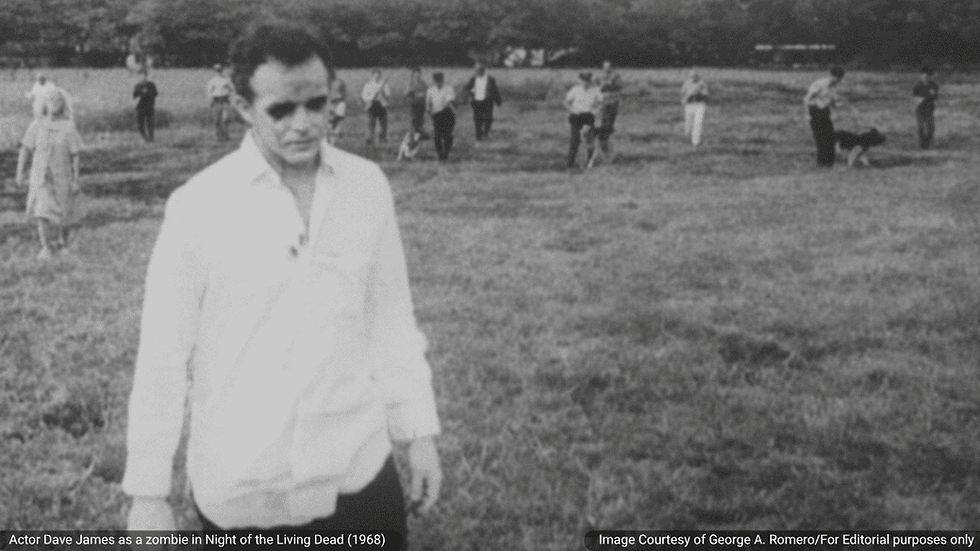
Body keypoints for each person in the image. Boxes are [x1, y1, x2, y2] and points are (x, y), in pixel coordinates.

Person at [123, 21, 443, 541]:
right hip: (246, 493)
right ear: (244, 107)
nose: (304, 124)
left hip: (358, 474)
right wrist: (147, 493)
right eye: (280, 110)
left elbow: (391, 319)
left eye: (317, 104)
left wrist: (419, 434)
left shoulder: (367, 187)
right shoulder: (198, 208)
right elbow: (162, 355)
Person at [15, 87, 82, 260]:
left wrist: (76, 178)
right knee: (41, 211)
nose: (54, 104)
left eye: (58, 100)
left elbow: (75, 154)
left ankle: (63, 243)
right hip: (41, 177)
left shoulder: (68, 127)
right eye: (51, 100)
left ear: (63, 104)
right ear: (44, 104)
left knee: (64, 212)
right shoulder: (37, 125)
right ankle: (45, 248)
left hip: (63, 175)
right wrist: (19, 172)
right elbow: (25, 149)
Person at [804, 66, 846, 168]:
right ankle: (821, 163)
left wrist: (840, 104)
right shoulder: (820, 84)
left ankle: (829, 163)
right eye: (836, 78)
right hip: (815, 111)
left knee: (830, 138)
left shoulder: (834, 87)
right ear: (831, 76)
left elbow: (831, 103)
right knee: (820, 138)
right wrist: (807, 114)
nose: (838, 81)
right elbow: (807, 99)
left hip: (825, 113)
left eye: (840, 79)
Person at [563, 71, 603, 169]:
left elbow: (602, 103)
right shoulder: (575, 90)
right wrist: (573, 110)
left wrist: (596, 111)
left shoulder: (595, 90)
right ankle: (570, 164)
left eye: (587, 81)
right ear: (579, 81)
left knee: (589, 140)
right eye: (583, 81)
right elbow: (565, 102)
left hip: (588, 116)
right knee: (575, 140)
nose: (585, 83)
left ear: (590, 81)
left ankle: (589, 161)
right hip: (576, 116)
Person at [463, 63, 501, 141]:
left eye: (480, 70)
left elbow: (495, 90)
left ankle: (486, 132)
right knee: (477, 119)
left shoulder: (490, 79)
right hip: (476, 102)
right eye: (476, 70)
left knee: (489, 118)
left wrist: (498, 101)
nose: (478, 72)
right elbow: (466, 88)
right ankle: (478, 136)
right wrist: (470, 95)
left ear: (483, 70)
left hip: (487, 101)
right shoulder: (473, 79)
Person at [595, 60, 623, 156]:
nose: (606, 68)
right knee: (603, 122)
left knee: (609, 122)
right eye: (605, 66)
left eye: (608, 66)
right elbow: (596, 87)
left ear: (611, 67)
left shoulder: (616, 76)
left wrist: (610, 85)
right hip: (603, 102)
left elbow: (619, 86)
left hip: (613, 101)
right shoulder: (599, 76)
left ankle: (606, 141)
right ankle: (602, 141)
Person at [426, 72, 456, 161]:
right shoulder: (430, 91)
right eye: (436, 81)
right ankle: (440, 154)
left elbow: (449, 102)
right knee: (437, 136)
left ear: (443, 80)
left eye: (440, 81)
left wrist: (444, 107)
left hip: (447, 114)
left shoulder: (449, 88)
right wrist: (431, 114)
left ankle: (446, 153)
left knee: (447, 135)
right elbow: (427, 105)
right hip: (436, 115)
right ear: (434, 81)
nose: (438, 83)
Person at [361, 69, 391, 145]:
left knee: (383, 123)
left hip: (381, 104)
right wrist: (372, 96)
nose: (376, 77)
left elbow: (388, 94)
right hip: (372, 104)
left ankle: (383, 138)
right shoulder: (368, 84)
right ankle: (370, 138)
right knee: (371, 123)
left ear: (380, 76)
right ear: (372, 76)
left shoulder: (384, 84)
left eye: (378, 76)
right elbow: (364, 96)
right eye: (375, 75)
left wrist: (382, 93)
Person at [913, 66, 939, 150]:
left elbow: (935, 97)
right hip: (920, 110)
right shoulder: (917, 86)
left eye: (927, 75)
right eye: (923, 75)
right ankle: (922, 145)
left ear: (930, 76)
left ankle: (927, 141)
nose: (925, 76)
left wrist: (925, 97)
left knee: (931, 128)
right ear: (921, 75)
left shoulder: (933, 85)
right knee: (920, 128)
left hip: (929, 109)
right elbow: (915, 98)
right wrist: (926, 97)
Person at [680, 70, 708, 146]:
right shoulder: (686, 83)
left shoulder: (701, 83)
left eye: (695, 76)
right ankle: (687, 139)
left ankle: (695, 142)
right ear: (689, 77)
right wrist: (688, 96)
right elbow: (682, 94)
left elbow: (706, 94)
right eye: (692, 76)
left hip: (699, 105)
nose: (694, 78)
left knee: (698, 123)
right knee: (688, 124)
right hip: (689, 105)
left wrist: (699, 92)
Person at [207, 64, 234, 141]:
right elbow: (209, 91)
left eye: (220, 70)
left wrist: (230, 95)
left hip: (225, 100)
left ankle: (226, 135)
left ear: (222, 70)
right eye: (217, 70)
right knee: (217, 119)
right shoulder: (212, 81)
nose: (219, 71)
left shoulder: (226, 80)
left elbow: (232, 89)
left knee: (226, 118)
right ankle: (218, 135)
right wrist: (211, 100)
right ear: (215, 71)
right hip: (216, 101)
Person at [133, 71, 159, 142]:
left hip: (149, 106)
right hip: (141, 107)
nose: (142, 78)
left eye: (143, 76)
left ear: (146, 76)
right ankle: (145, 138)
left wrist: (146, 92)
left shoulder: (151, 85)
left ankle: (151, 139)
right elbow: (134, 95)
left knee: (150, 124)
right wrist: (140, 91)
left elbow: (155, 94)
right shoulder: (138, 85)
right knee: (140, 125)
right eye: (140, 76)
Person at [405, 67, 429, 139]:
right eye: (416, 75)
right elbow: (405, 94)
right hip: (413, 105)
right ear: (413, 75)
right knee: (413, 120)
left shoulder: (423, 84)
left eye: (419, 75)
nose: (418, 76)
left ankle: (419, 134)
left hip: (422, 104)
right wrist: (410, 91)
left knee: (420, 120)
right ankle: (412, 136)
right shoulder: (410, 84)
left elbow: (427, 93)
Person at [326, 66, 347, 144]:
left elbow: (343, 93)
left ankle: (334, 137)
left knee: (336, 120)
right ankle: (332, 137)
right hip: (332, 103)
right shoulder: (327, 83)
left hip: (339, 103)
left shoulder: (339, 83)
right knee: (330, 121)